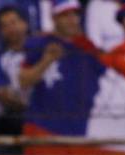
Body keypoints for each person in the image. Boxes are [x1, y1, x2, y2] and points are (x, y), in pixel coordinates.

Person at [19, 0, 105, 136]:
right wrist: (46, 60)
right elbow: (23, 81)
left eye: (75, 14)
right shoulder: (40, 43)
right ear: (54, 18)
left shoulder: (87, 47)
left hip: (80, 129)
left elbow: (106, 77)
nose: (72, 20)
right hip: (43, 127)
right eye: (66, 15)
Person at [0, 5, 31, 136]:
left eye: (13, 22)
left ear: (24, 24)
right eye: (4, 26)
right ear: (0, 31)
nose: (11, 29)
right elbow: (3, 96)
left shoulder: (39, 52)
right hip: (7, 118)